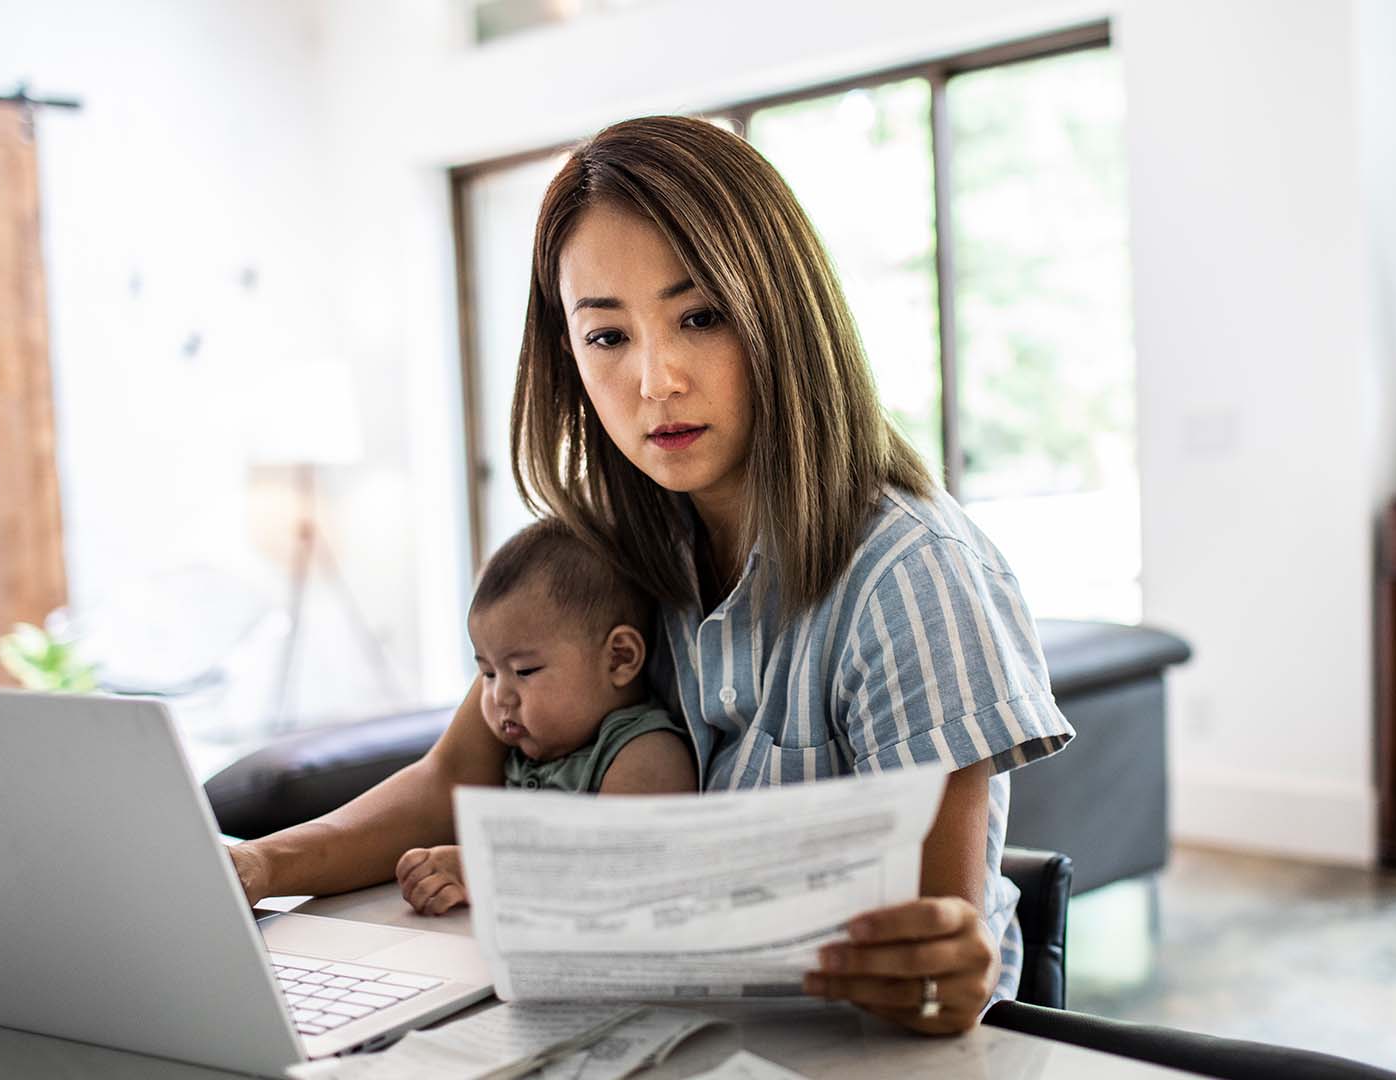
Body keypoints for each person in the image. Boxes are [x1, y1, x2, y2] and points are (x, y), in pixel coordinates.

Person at [229, 114, 1074, 1035]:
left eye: (700, 317)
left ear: (782, 316)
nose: (656, 379)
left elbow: (932, 953)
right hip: (639, 1029)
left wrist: (945, 966)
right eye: (607, 337)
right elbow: (453, 782)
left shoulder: (912, 576)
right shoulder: (597, 552)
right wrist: (258, 867)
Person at [391, 517, 696, 913]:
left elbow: (621, 869)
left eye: (525, 671)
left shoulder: (644, 753)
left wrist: (480, 869)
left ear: (620, 657)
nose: (500, 695)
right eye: (487, 673)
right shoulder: (525, 752)